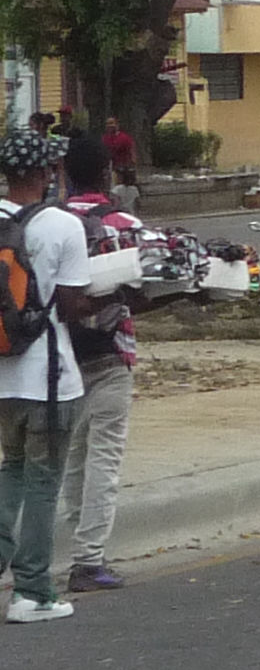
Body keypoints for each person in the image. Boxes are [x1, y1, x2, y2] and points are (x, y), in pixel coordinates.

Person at [54, 135, 159, 593]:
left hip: (60, 355)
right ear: (106, 173)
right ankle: (89, 559)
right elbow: (148, 285)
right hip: (111, 352)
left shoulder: (48, 223)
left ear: (63, 174)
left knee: (72, 458)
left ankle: (71, 548)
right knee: (104, 457)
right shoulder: (123, 224)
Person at [0, 130, 92, 622]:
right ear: (44, 172)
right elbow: (75, 305)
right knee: (42, 481)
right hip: (50, 378)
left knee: (11, 470)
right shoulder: (63, 225)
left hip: (3, 379)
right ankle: (32, 591)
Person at [102, 118, 138, 188]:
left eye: (112, 123)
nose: (110, 126)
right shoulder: (104, 138)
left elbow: (132, 150)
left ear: (117, 125)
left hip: (123, 168)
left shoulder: (124, 138)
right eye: (108, 124)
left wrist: (133, 164)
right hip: (109, 168)